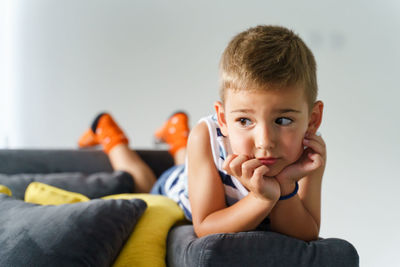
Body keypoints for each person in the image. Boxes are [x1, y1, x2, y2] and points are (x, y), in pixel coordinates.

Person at [78, 25, 326, 242]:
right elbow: (206, 227)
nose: (265, 142)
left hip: (200, 173)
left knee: (189, 162)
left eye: (283, 120)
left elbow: (307, 232)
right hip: (179, 188)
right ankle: (107, 132)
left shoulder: (308, 154)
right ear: (222, 119)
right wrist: (262, 199)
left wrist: (284, 186)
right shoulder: (205, 136)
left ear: (312, 120)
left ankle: (176, 133)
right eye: (244, 120)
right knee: (144, 184)